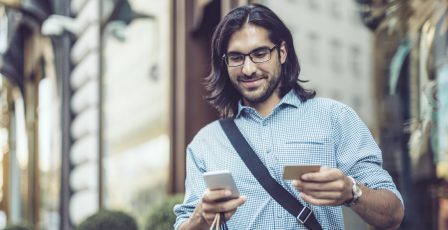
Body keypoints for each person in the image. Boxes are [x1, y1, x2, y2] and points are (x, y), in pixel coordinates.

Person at [174, 3, 404, 230]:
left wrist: (352, 191)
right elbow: (184, 224)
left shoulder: (334, 118)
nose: (248, 69)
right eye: (236, 57)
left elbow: (393, 214)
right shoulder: (205, 143)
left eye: (260, 53)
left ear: (282, 52)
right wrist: (199, 219)